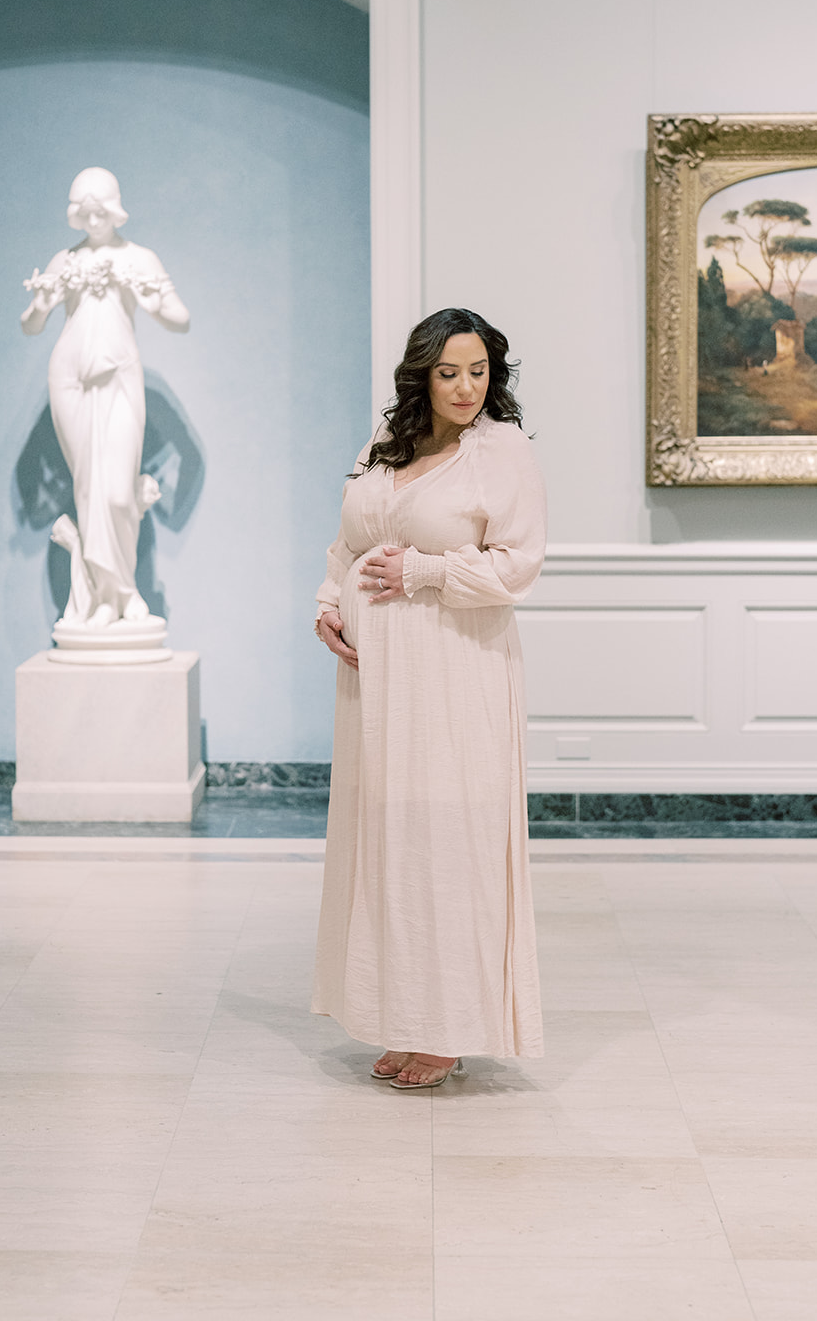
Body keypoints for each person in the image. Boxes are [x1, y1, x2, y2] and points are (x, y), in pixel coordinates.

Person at [312, 308, 546, 1089]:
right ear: (422, 375)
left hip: (454, 670)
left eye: (478, 371)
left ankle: (448, 1025)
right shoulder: (385, 445)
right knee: (389, 836)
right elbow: (347, 542)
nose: (466, 387)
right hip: (377, 679)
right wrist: (328, 603)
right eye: (450, 372)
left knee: (448, 838)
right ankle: (405, 1014)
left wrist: (426, 573)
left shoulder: (502, 451)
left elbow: (517, 566)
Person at [21, 168, 189, 632]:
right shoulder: (65, 259)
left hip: (117, 376)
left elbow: (179, 318)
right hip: (70, 378)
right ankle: (100, 598)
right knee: (88, 490)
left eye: (101, 209)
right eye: (84, 211)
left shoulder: (138, 258)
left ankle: (126, 590)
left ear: (115, 208)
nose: (93, 218)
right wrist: (43, 300)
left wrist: (150, 296)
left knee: (117, 492)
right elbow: (31, 324)